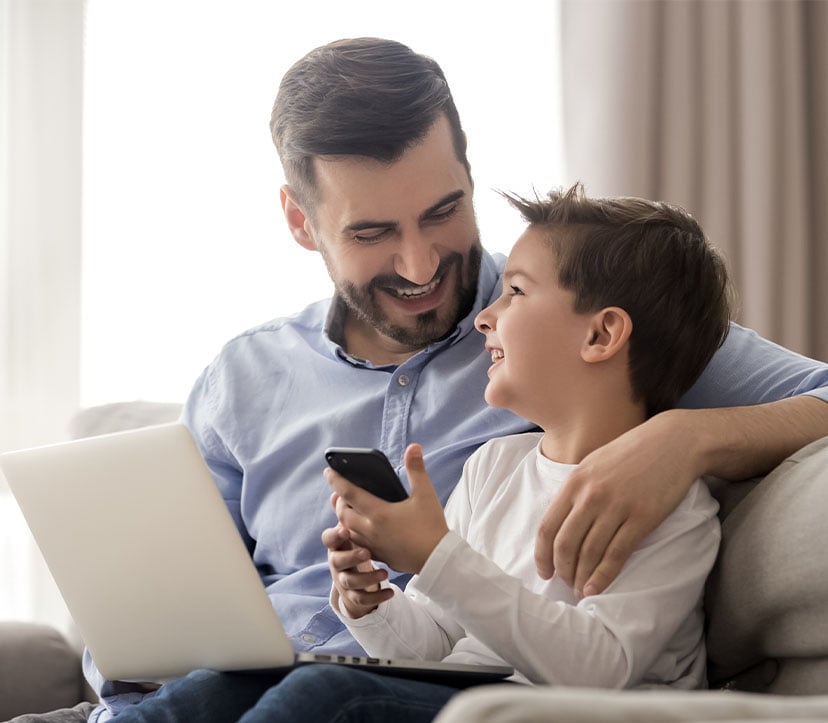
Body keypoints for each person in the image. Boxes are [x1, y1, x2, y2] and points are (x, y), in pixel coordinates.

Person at [79, 37, 828, 723]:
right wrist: (367, 600)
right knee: (206, 694)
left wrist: (687, 436)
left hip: (435, 696)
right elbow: (163, 616)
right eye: (371, 233)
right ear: (302, 222)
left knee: (317, 696)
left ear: (469, 178)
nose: (421, 266)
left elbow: (584, 657)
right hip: (281, 676)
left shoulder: (596, 304)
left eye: (443, 212)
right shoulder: (246, 378)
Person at [110, 181, 731, 722]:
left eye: (515, 291)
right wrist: (372, 604)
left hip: (561, 712)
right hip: (466, 697)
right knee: (227, 686)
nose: (485, 316)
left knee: (329, 695)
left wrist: (438, 554)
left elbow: (600, 668)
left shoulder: (670, 504)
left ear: (600, 334)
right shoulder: (498, 467)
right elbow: (435, 639)